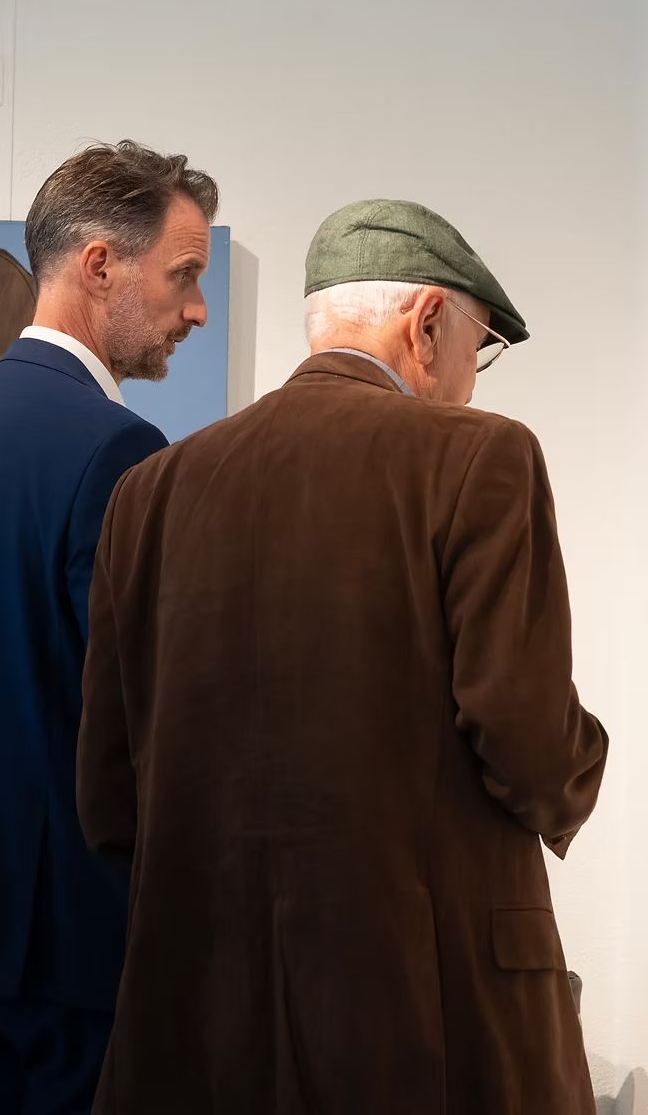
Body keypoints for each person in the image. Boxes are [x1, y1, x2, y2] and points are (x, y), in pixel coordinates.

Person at [78, 198, 608, 1114]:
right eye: (477, 349)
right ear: (427, 321)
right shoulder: (480, 458)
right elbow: (522, 734)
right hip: (428, 1013)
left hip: (203, 1019)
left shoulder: (149, 494)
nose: (470, 383)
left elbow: (107, 797)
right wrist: (585, 763)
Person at [0, 140, 218, 1113]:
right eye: (184, 275)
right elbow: (146, 709)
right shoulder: (117, 446)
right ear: (101, 264)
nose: (196, 309)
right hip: (79, 950)